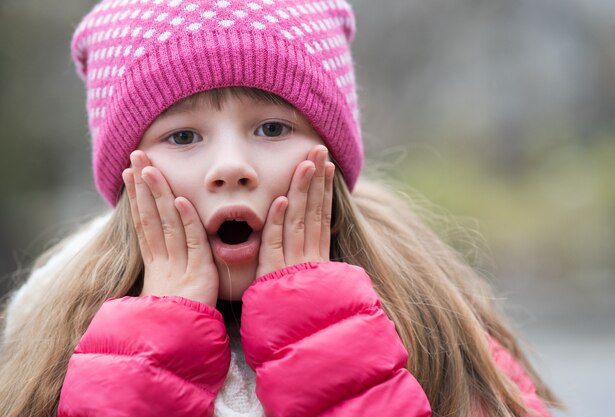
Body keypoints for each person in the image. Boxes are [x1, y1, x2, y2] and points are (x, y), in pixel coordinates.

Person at [0, 0, 561, 416]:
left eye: (272, 127)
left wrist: (323, 335)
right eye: (183, 136)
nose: (230, 167)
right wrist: (154, 348)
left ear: (333, 161)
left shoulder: (428, 309)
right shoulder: (53, 326)